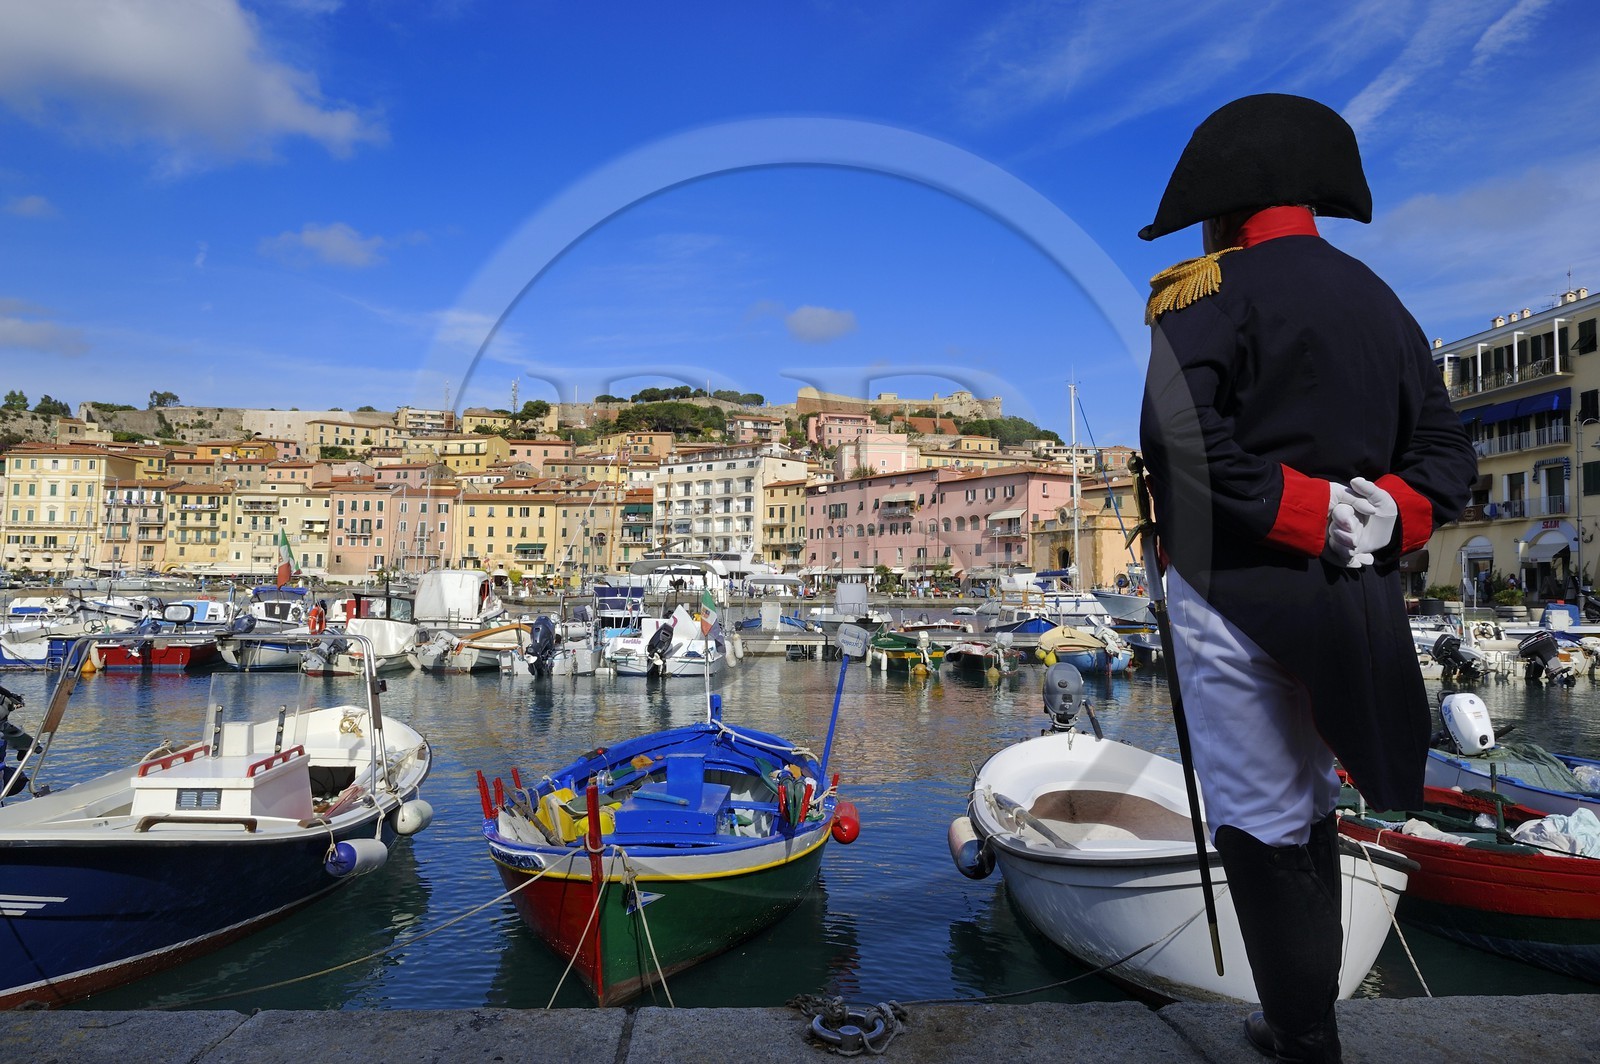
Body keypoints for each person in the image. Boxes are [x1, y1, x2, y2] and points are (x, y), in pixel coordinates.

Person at [1138, 94, 1477, 1062]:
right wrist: (1389, 511)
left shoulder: (1199, 292)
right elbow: (1448, 455)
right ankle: (1306, 1019)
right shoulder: (1382, 300)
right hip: (1355, 606)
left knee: (1259, 812)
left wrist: (1301, 509)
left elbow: (1174, 434)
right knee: (1317, 803)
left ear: (1224, 207)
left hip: (1232, 589)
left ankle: (1299, 1031)